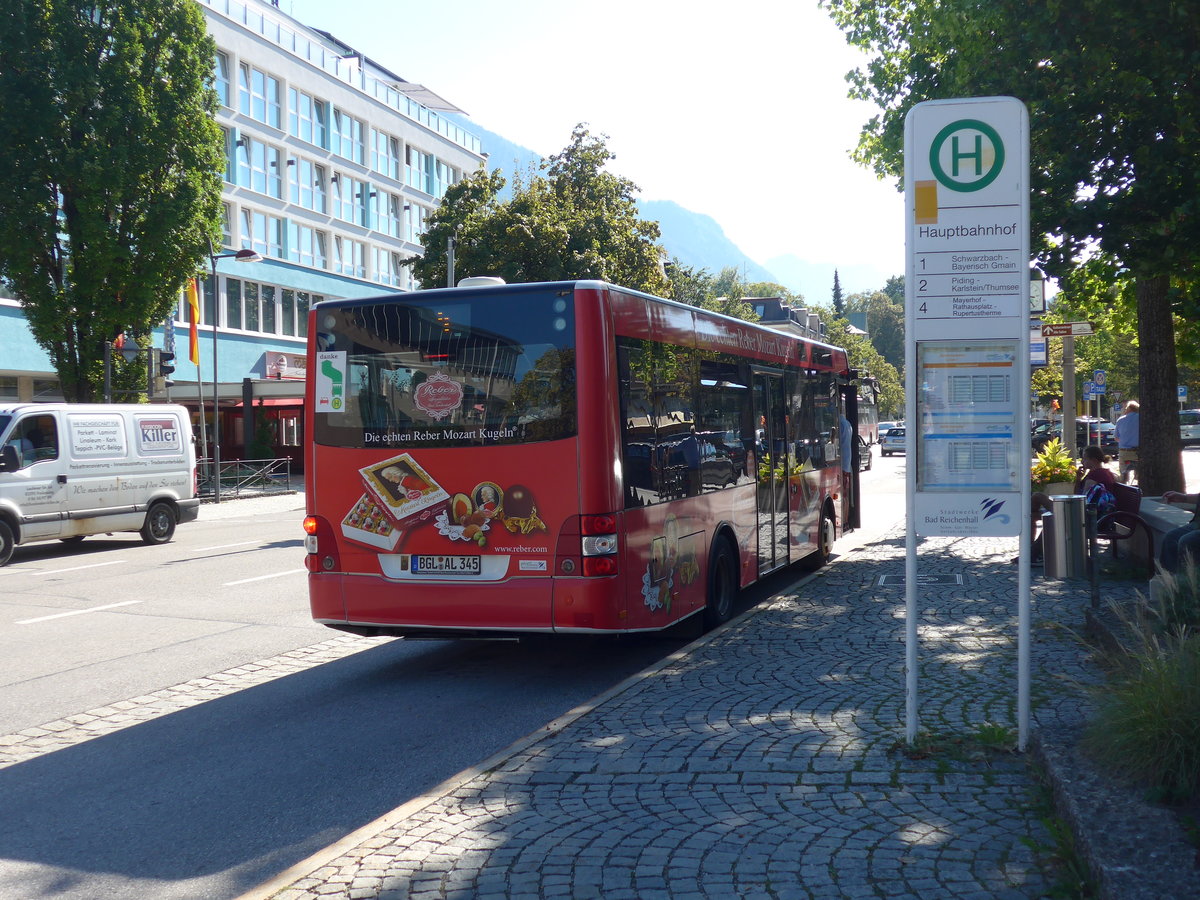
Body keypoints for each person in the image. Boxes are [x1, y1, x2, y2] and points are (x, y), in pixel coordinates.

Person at [1024, 445, 1115, 564]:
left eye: (1084, 458)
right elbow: (1078, 494)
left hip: (1087, 515)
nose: (1082, 461)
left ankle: (1033, 553)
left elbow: (1082, 498)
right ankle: (1032, 552)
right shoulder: (1098, 473)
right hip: (1087, 512)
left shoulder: (1096, 475)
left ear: (1094, 460)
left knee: (1040, 500)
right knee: (1034, 515)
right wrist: (1078, 479)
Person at [1159, 488, 1200, 572]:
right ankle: (1170, 581)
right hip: (1197, 523)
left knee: (1187, 541)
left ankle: (1189, 581)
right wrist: (1184, 498)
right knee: (1170, 537)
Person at [1114, 400, 1140, 483]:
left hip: (1124, 452)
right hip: (1137, 452)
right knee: (1140, 476)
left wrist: (1124, 440)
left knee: (1124, 476)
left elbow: (1116, 437)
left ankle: (1124, 489)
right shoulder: (1141, 418)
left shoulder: (1120, 420)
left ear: (1128, 409)